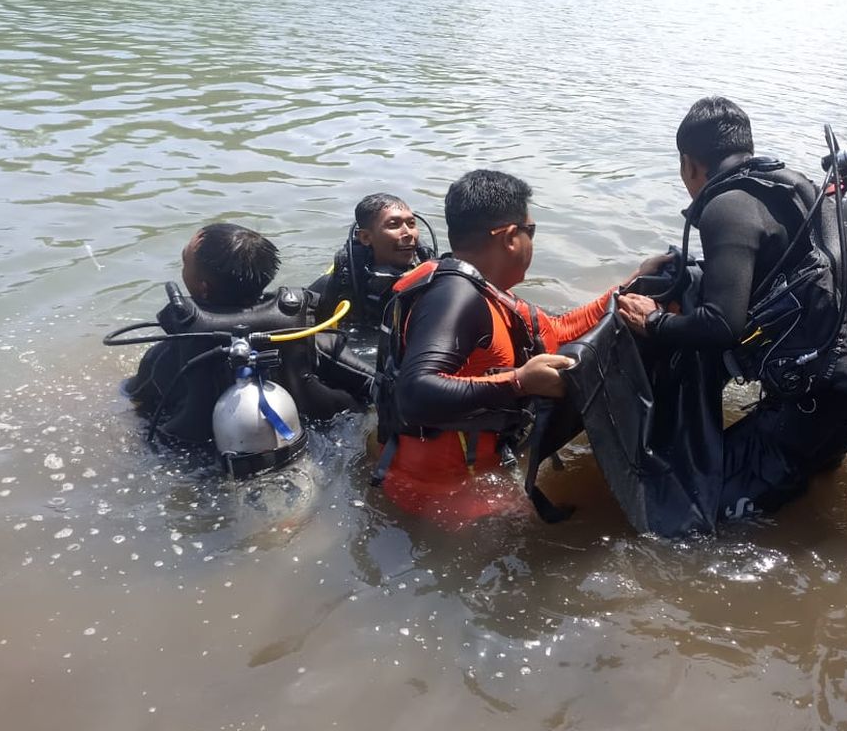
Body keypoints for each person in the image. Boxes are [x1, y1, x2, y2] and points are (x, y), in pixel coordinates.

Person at [616, 97, 847, 508]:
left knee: (684, 513)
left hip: (813, 407)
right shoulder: (793, 186)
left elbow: (722, 325)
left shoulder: (726, 206)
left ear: (688, 163)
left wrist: (653, 322)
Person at [371, 170, 644, 528]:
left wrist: (628, 288)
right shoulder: (456, 296)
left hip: (452, 477)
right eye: (531, 231)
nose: (533, 241)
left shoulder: (483, 288)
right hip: (439, 495)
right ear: (512, 237)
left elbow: (555, 331)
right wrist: (519, 382)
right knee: (576, 539)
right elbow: (415, 393)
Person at [122, 223, 373, 448]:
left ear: (203, 288)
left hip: (202, 459)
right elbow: (372, 383)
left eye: (184, 261)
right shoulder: (304, 336)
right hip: (314, 441)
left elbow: (136, 399)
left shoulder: (170, 353)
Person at [308, 192, 435, 326]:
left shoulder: (434, 279)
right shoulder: (342, 283)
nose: (408, 233)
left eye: (411, 224)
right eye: (393, 225)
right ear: (365, 237)